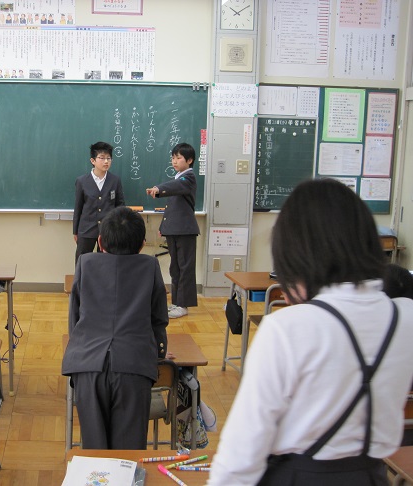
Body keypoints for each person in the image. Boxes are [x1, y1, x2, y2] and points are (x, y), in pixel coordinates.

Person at [207, 179, 413, 486]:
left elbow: (240, 457)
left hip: (299, 477)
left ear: (297, 254)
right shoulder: (406, 317)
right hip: (372, 476)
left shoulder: (287, 328)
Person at [62, 206, 169, 449]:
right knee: (129, 452)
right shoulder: (150, 266)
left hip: (87, 364)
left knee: (95, 448)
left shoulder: (85, 263)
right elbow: (158, 319)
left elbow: (75, 319)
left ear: (100, 242)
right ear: (142, 245)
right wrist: (158, 352)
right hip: (134, 365)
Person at [146, 142, 200, 318]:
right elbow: (171, 207)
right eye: (173, 158)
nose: (174, 161)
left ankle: (183, 305)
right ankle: (176, 302)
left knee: (185, 268)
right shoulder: (178, 178)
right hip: (174, 229)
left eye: (179, 158)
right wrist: (164, 227)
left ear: (189, 160)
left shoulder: (188, 177)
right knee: (175, 268)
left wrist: (159, 189)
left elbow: (174, 187)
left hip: (185, 230)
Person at [73, 141, 125, 263]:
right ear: (93, 161)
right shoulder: (82, 181)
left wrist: (120, 228)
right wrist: (75, 231)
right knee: (83, 261)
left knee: (107, 262)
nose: (106, 161)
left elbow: (120, 205)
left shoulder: (115, 180)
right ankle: (82, 277)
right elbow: (78, 207)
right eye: (102, 158)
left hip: (108, 229)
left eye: (109, 158)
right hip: (86, 229)